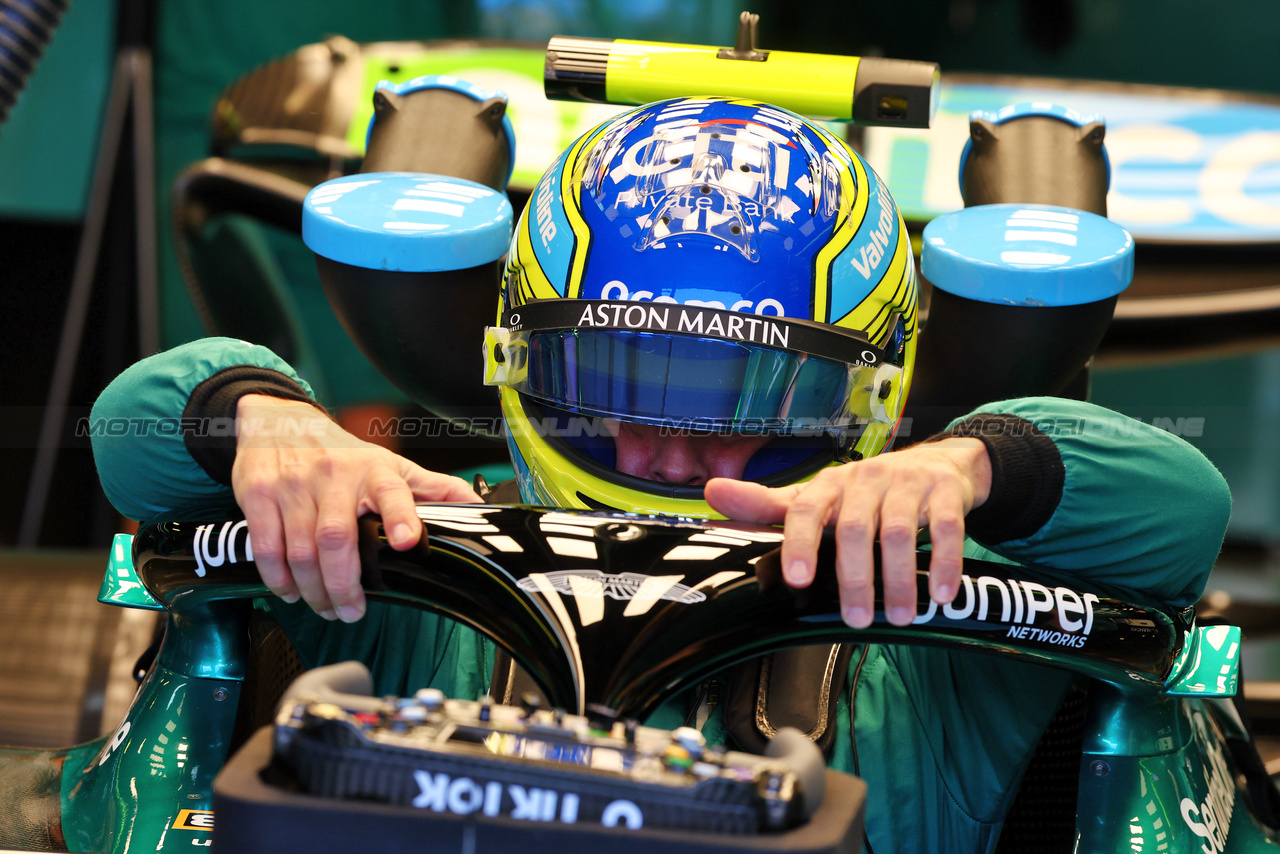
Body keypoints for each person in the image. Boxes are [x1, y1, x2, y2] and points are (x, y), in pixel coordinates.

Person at [90, 98, 1231, 854]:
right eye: (606, 383)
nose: (662, 456)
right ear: (509, 362)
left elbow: (1178, 510)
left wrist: (979, 460)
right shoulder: (383, 543)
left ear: (875, 405)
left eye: (745, 403)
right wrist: (260, 418)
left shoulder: (929, 603)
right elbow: (130, 432)